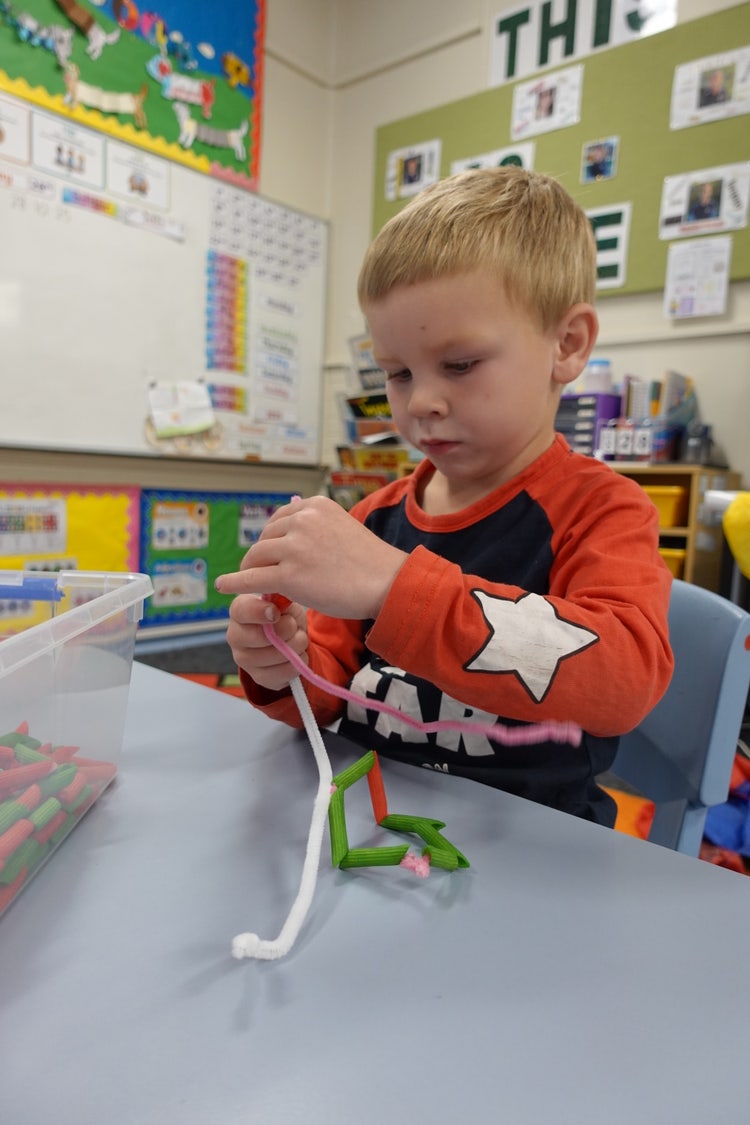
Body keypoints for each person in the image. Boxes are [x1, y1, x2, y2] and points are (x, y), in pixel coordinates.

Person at [216, 167, 673, 827]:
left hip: (535, 842)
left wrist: (395, 586)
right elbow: (324, 696)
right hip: (378, 825)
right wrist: (280, 662)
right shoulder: (377, 517)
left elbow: (625, 680)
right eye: (397, 374)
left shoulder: (601, 511)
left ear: (567, 345)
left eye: (459, 365)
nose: (421, 402)